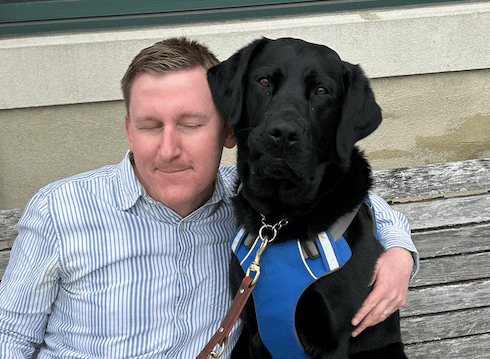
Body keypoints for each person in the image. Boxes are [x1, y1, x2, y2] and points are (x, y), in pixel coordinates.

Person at [0, 37, 418, 358]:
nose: (168, 150)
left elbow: (353, 201)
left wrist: (400, 251)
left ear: (230, 131)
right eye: (150, 125)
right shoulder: (60, 211)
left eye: (191, 124)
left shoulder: (244, 198)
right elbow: (10, 335)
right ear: (128, 129)